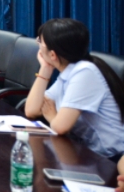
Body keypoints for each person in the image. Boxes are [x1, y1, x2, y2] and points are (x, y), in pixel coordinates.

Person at [25, 18, 124, 160]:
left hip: (111, 159)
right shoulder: (70, 71)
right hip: (86, 151)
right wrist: (45, 69)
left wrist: (52, 116)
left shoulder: (85, 72)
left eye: (40, 41)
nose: (38, 45)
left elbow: (60, 127)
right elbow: (32, 110)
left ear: (53, 55)